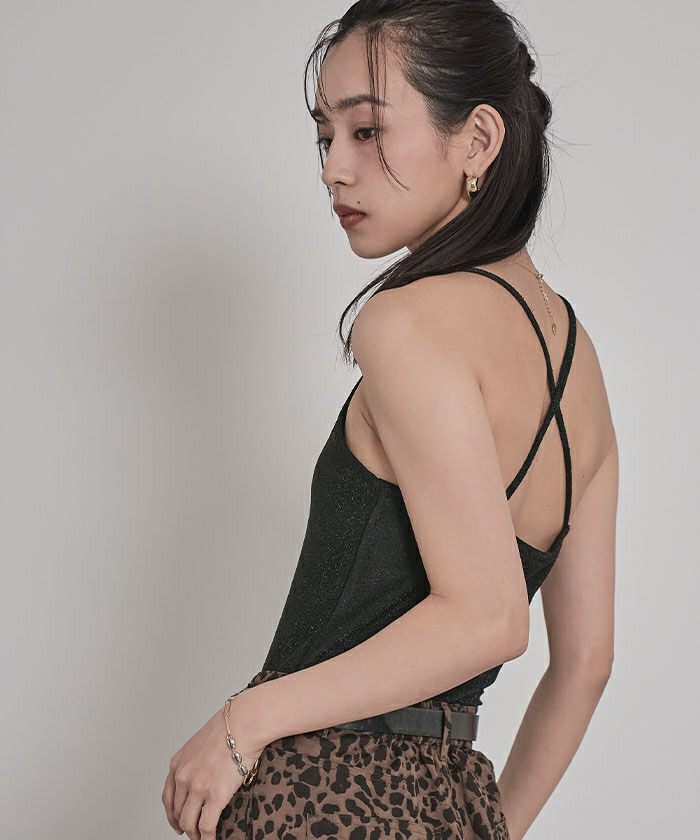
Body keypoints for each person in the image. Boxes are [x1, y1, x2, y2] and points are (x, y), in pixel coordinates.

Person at [162, 3, 618, 840]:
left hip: (313, 793)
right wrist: (489, 826)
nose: (334, 169)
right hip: (454, 800)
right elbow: (586, 663)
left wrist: (242, 725)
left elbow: (488, 618)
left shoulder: (405, 322)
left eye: (367, 130)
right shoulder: (575, 357)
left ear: (478, 140)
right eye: (324, 136)